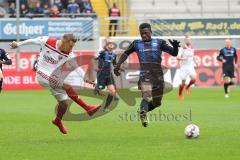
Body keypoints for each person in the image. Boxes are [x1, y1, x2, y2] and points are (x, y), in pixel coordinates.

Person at [10, 33, 100, 134]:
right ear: (63, 41)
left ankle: (57, 120)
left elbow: (76, 67)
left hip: (54, 77)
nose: (71, 48)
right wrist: (18, 44)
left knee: (64, 104)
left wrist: (85, 78)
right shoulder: (48, 41)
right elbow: (33, 40)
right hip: (42, 74)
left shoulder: (69, 53)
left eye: (73, 46)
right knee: (67, 85)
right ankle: (88, 108)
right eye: (70, 45)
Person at [113, 23, 180, 127]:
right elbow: (126, 53)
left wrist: (175, 47)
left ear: (151, 32)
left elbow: (174, 53)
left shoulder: (159, 42)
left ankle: (143, 110)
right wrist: (118, 65)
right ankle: (143, 112)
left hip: (158, 75)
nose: (143, 35)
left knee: (157, 103)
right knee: (147, 94)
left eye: (146, 33)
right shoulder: (136, 44)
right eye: (141, 33)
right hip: (145, 73)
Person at [93, 37, 119, 112]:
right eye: (109, 43)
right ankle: (97, 88)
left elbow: (114, 63)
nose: (111, 45)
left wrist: (117, 68)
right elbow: (93, 59)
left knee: (113, 91)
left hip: (108, 73)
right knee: (102, 91)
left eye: (112, 43)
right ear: (105, 44)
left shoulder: (113, 53)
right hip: (101, 73)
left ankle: (106, 107)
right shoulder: (101, 52)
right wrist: (95, 67)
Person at [177, 35, 198, 100]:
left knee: (194, 79)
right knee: (183, 83)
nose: (188, 41)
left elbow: (192, 56)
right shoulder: (182, 48)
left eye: (189, 39)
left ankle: (187, 87)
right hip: (184, 67)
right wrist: (183, 58)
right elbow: (177, 57)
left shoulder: (192, 47)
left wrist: (195, 62)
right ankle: (180, 94)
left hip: (190, 66)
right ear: (185, 41)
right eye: (187, 40)